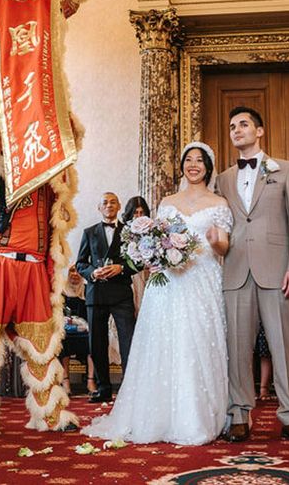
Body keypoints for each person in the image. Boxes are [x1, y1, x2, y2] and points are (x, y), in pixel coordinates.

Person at [83, 142, 232, 445]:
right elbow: (157, 240)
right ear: (182, 166)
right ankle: (156, 414)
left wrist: (215, 241)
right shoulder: (168, 201)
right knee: (162, 341)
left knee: (198, 340)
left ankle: (197, 416)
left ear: (208, 167)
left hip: (202, 277)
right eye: (188, 160)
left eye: (199, 161)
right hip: (168, 280)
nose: (193, 165)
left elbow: (224, 247)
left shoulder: (219, 203)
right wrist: (153, 254)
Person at [217, 106, 289, 444]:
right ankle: (239, 414)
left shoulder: (285, 170)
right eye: (232, 126)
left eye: (243, 124)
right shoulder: (223, 178)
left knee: (283, 347)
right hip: (235, 270)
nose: (237, 130)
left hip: (277, 271)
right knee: (237, 348)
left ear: (259, 131)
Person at [76, 192, 136, 403]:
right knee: (97, 343)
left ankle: (130, 388)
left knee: (128, 340)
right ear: (98, 207)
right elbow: (81, 264)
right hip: (96, 293)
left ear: (119, 206)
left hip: (121, 293)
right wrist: (92, 272)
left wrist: (121, 268)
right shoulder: (89, 232)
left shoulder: (130, 232)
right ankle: (103, 388)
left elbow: (138, 262)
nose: (109, 205)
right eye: (105, 202)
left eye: (113, 202)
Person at [60, 265, 94, 396]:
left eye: (78, 271)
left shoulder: (87, 290)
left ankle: (90, 381)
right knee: (63, 343)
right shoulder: (61, 292)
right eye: (72, 271)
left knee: (93, 343)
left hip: (84, 331)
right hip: (66, 331)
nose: (75, 274)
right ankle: (66, 381)